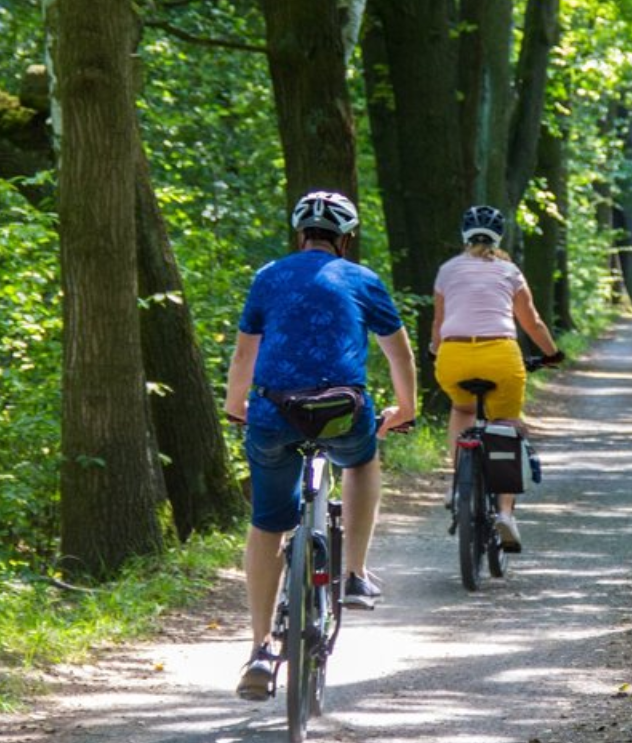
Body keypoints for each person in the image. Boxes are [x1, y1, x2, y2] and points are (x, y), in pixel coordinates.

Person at [224, 190, 417, 701]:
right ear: (346, 238)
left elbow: (245, 355)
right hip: (340, 412)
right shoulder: (362, 280)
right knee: (361, 461)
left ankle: (261, 650)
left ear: (298, 235)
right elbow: (400, 354)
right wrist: (406, 407)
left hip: (273, 412)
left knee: (267, 523)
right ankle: (353, 573)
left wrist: (235, 406)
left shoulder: (269, 277)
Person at [429, 205, 563, 553]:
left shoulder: (446, 271)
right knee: (505, 424)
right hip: (501, 356)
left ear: (464, 234)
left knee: (462, 411)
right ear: (499, 237)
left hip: (454, 356)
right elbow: (531, 322)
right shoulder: (509, 271)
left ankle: (459, 485)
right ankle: (505, 513)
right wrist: (551, 354)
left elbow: (438, 323)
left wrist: (434, 350)